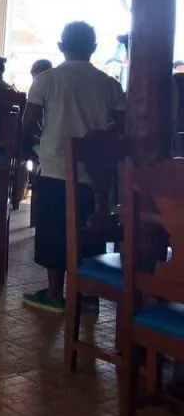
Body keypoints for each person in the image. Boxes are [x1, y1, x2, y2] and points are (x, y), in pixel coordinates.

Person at [21, 21, 126, 313]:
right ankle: (88, 295)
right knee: (90, 231)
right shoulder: (109, 83)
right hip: (96, 177)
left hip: (55, 168)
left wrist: (38, 143)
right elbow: (122, 127)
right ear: (93, 48)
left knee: (54, 231)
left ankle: (55, 295)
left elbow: (27, 124)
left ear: (60, 47)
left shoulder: (46, 80)